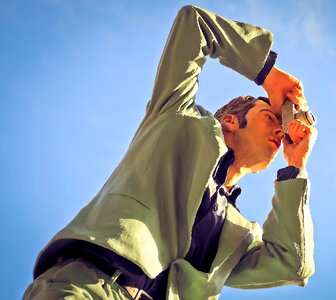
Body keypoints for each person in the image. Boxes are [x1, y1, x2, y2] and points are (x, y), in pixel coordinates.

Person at [24, 5, 317, 300]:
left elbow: (292, 264)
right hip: (89, 286)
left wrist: (295, 166)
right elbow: (195, 23)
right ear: (230, 121)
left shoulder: (238, 234)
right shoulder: (176, 116)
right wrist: (268, 75)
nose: (281, 130)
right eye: (269, 117)